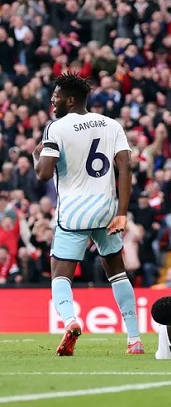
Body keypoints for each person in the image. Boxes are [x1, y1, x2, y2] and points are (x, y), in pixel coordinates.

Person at [33, 73, 144, 356]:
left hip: (74, 211)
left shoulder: (56, 128)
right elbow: (125, 168)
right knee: (117, 273)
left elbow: (44, 173)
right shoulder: (111, 124)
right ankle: (134, 340)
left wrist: (37, 156)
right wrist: (122, 212)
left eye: (56, 97)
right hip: (107, 209)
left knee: (60, 274)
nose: (52, 101)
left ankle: (71, 321)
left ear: (70, 100)